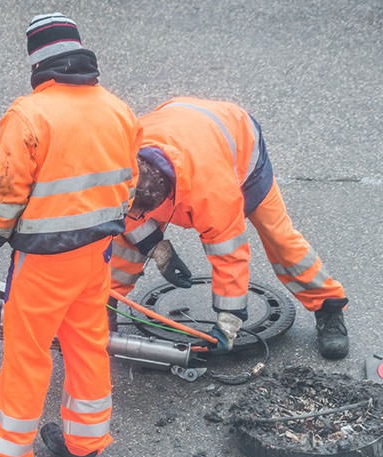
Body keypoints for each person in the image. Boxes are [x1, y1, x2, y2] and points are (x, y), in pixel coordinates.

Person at [0, 13, 142, 457]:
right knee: (87, 346)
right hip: (96, 255)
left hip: (43, 265)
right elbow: (129, 187)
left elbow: (4, 196)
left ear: (37, 62)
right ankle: (83, 446)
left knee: (26, 357)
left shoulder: (30, 116)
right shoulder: (119, 110)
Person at [109, 97, 349, 360]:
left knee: (279, 238)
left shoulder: (215, 194)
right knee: (125, 243)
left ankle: (329, 306)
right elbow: (121, 211)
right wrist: (155, 244)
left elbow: (230, 255)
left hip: (241, 146)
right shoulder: (122, 160)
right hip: (183, 126)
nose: (140, 216)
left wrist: (229, 320)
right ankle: (104, 306)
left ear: (170, 198)